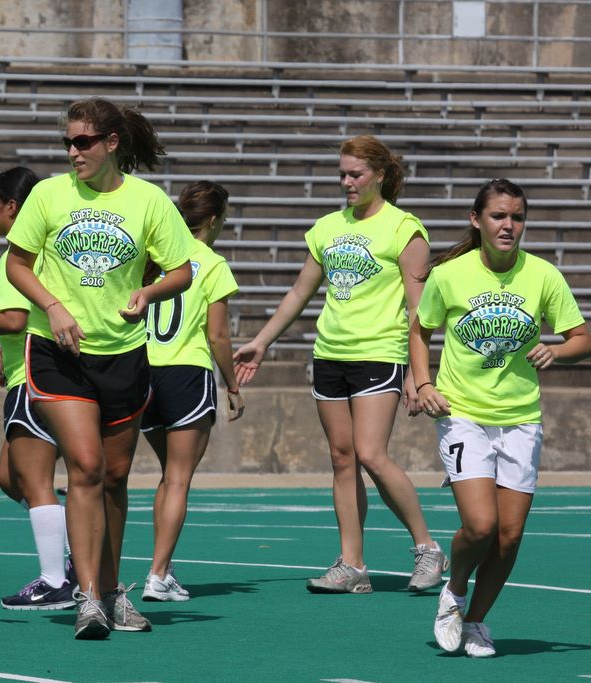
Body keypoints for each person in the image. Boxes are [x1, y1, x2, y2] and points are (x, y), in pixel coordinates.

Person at [6, 98, 194, 639]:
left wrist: (149, 292)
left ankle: (111, 592)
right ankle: (87, 597)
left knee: (114, 477)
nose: (73, 151)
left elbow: (182, 270)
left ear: (112, 143)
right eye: (68, 141)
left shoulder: (148, 200)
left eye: (83, 141)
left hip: (124, 354)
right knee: (85, 467)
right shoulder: (48, 194)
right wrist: (52, 305)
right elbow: (17, 264)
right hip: (58, 353)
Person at [233, 134, 447, 594]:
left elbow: (419, 310)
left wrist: (419, 374)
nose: (347, 182)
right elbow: (299, 292)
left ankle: (427, 547)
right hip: (330, 354)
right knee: (341, 458)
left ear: (380, 175)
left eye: (356, 174)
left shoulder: (404, 229)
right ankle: (352, 565)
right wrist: (262, 342)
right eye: (342, 175)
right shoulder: (327, 227)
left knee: (371, 454)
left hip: (379, 353)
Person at [411, 178, 590, 658]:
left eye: (517, 217)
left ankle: (475, 622)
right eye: (498, 216)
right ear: (477, 220)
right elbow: (421, 330)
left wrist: (558, 351)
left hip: (521, 419)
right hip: (463, 413)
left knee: (509, 537)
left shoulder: (543, 275)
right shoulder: (450, 275)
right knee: (481, 525)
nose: (508, 225)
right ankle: (455, 590)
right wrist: (423, 383)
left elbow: (582, 338)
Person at [0, 167, 77, 610]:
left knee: (34, 482)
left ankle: (57, 578)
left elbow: (15, 320)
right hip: (33, 372)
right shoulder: (47, 248)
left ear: (12, 207)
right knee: (9, 476)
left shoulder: (18, 256)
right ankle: (73, 548)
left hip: (35, 377)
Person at [140, 181, 243, 602]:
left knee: (167, 476)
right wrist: (232, 384)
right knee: (179, 479)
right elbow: (218, 335)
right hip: (186, 372)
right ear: (214, 220)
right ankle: (158, 574)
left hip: (144, 372)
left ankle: (163, 569)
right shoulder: (212, 263)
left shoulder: (155, 256)